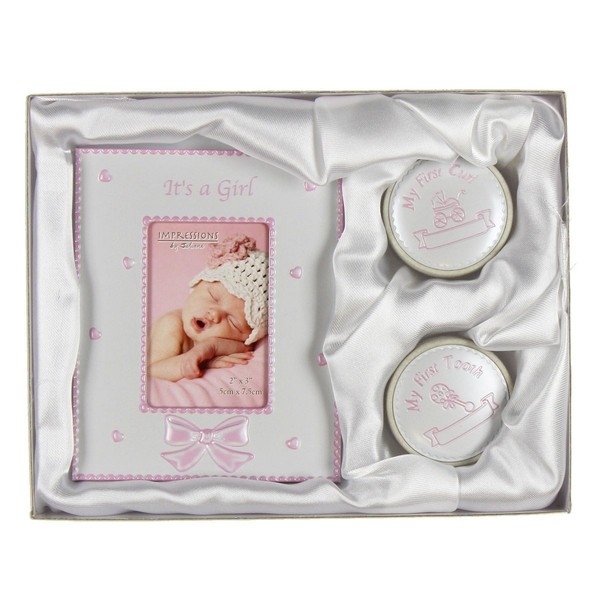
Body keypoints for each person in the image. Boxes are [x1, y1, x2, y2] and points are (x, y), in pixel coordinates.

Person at [148, 235, 268, 382]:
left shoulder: (233, 341)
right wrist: (190, 362)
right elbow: (152, 369)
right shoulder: (171, 324)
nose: (215, 314)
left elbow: (244, 348)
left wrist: (211, 347)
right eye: (213, 297)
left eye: (233, 322)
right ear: (197, 284)